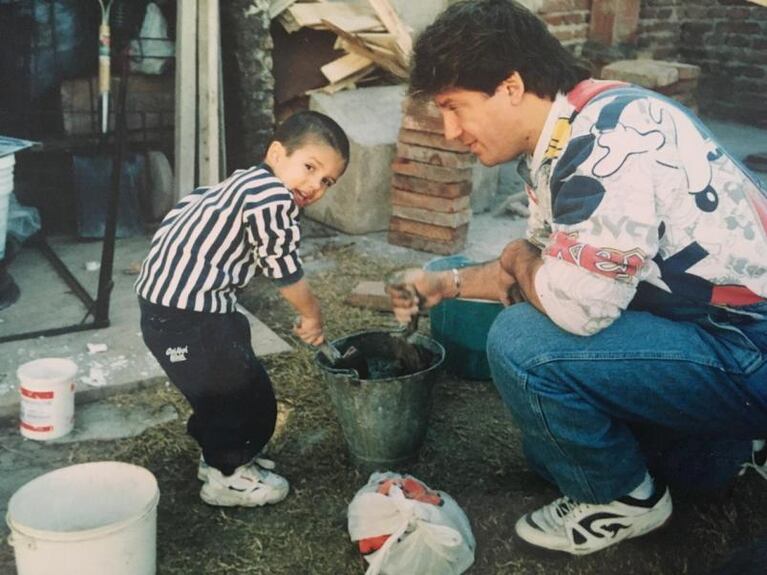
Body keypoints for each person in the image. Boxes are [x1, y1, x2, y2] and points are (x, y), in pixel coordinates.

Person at [386, 0, 767, 556]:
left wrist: (520, 259)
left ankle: (623, 500)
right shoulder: (574, 125)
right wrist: (442, 285)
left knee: (523, 344)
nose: (449, 132)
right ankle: (725, 445)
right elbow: (546, 264)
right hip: (720, 330)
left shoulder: (604, 146)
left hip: (747, 343)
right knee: (556, 452)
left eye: (455, 107)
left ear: (511, 86)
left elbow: (576, 306)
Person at [136, 111, 349, 507]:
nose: (314, 186)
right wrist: (312, 313)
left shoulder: (242, 183)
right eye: (309, 167)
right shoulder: (271, 196)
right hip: (184, 318)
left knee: (232, 382)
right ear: (276, 153)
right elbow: (284, 270)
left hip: (186, 309)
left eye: (326, 181)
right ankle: (226, 478)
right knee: (240, 397)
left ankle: (220, 457)